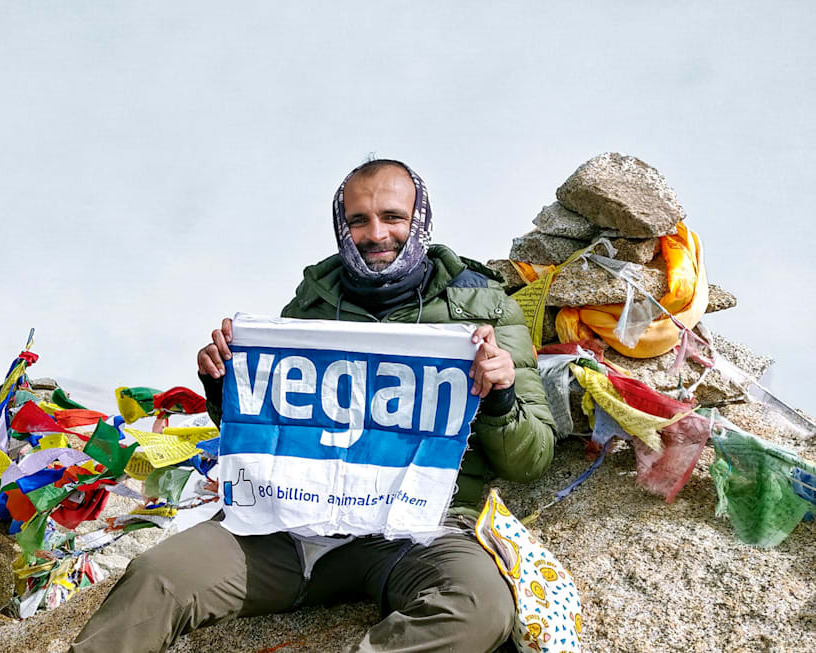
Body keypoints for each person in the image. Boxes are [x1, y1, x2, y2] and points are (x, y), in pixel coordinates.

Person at [71, 159, 557, 653]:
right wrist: (223, 386)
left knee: (479, 606)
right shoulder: (306, 310)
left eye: (393, 217)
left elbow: (531, 460)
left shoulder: (484, 311)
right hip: (286, 528)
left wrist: (500, 396)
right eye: (358, 220)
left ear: (422, 220)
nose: (376, 234)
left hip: (411, 533)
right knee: (157, 576)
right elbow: (273, 430)